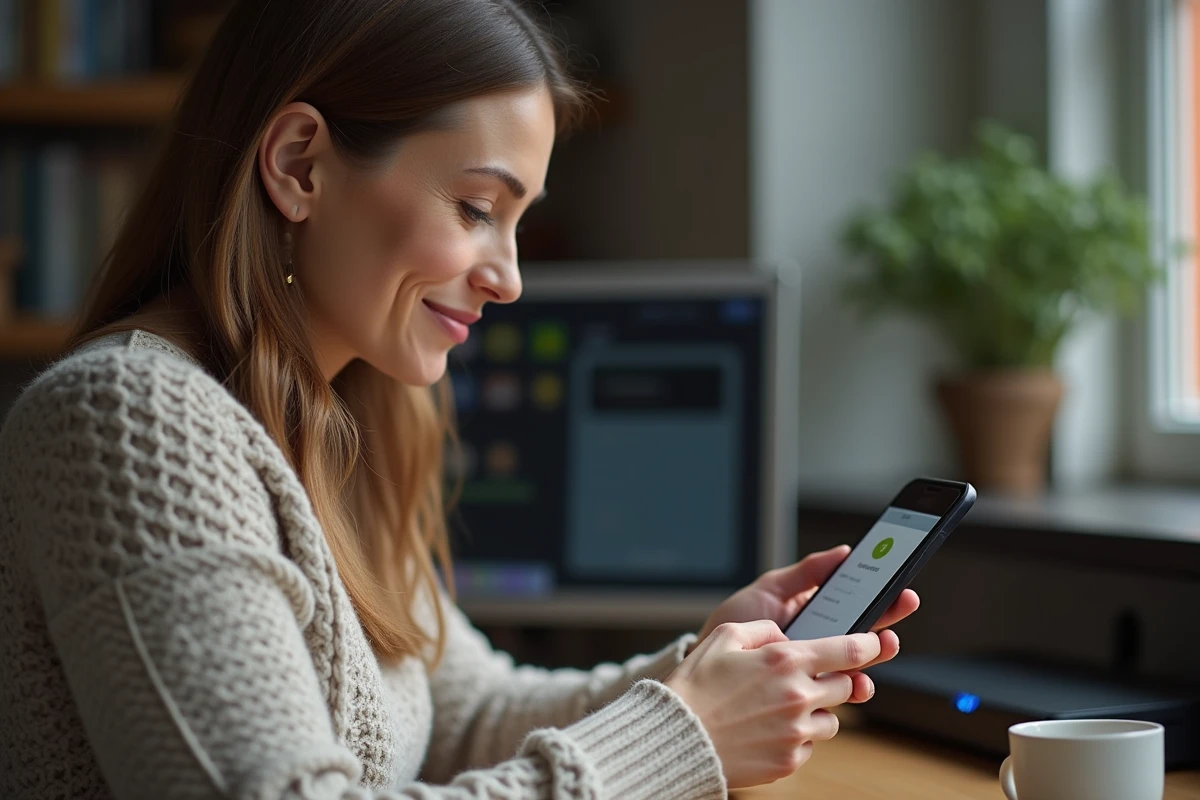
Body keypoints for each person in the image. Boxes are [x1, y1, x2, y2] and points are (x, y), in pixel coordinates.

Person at [0, 1, 920, 798]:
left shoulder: (329, 422)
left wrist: (706, 666)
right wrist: (683, 733)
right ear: (299, 165)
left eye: (517, 222)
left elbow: (463, 715)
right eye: (478, 208)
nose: (510, 279)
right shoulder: (128, 419)